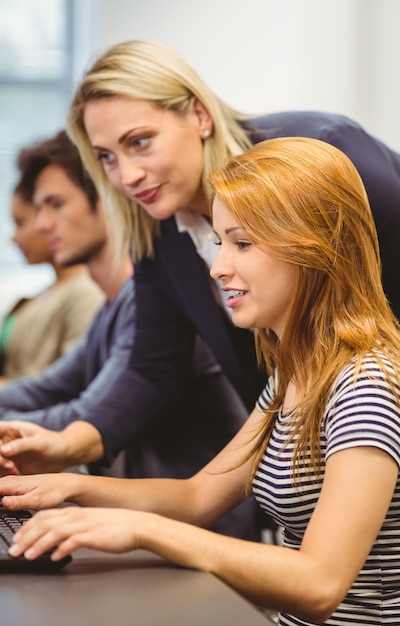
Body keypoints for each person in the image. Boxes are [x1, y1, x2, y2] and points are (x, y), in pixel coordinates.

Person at [2, 137, 400, 625]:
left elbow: (320, 583)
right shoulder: (295, 373)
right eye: (220, 243)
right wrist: (60, 489)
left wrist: (142, 530)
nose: (219, 268)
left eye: (242, 243)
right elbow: (199, 497)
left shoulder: (368, 382)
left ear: (316, 246)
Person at [0, 131, 260, 540]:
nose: (43, 224)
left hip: (202, 538)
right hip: (162, 525)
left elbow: (87, 411)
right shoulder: (114, 308)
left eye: (56, 204)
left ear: (106, 201)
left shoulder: (154, 310)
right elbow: (46, 390)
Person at [0, 156, 104, 381]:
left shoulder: (86, 290)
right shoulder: (40, 295)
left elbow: (73, 383)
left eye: (20, 222)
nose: (14, 237)